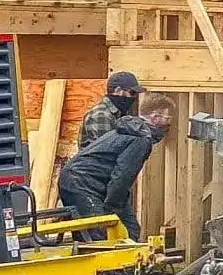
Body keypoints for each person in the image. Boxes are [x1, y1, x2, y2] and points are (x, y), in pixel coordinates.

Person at [55, 97, 173, 241]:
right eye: (168, 118)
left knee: (130, 231)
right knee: (101, 235)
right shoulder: (141, 139)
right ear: (156, 117)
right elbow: (122, 177)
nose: (170, 124)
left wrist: (115, 208)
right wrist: (111, 210)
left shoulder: (132, 130)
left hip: (94, 183)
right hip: (80, 181)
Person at [77, 70, 141, 151]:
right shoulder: (101, 114)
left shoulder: (119, 113)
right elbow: (107, 152)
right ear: (118, 90)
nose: (134, 97)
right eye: (132, 93)